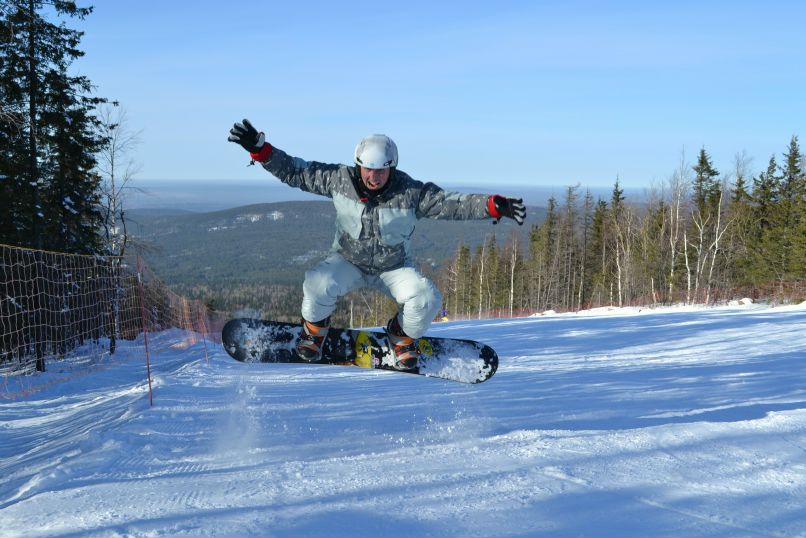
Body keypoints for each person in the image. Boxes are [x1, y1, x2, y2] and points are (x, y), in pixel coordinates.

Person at [228, 119, 525, 370]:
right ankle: (314, 333)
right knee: (317, 284)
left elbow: (451, 204)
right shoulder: (338, 180)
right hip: (347, 260)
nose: (374, 176)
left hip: (393, 266)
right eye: (368, 169)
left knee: (426, 299)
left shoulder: (410, 192)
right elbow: (296, 171)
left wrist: (491, 206)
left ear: (392, 167)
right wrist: (261, 150)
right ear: (358, 165)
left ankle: (400, 335)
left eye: (382, 170)